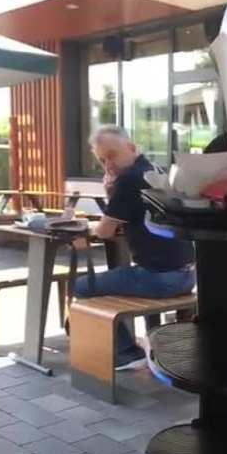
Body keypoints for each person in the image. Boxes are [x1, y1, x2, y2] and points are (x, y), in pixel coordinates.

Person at [75, 125, 195, 370]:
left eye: (112, 155)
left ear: (130, 148)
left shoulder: (129, 179)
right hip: (187, 275)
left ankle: (127, 352)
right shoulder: (154, 170)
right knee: (127, 274)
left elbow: (104, 231)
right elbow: (130, 213)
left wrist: (111, 193)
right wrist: (112, 191)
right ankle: (154, 347)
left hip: (159, 279)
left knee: (80, 286)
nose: (108, 165)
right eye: (101, 160)